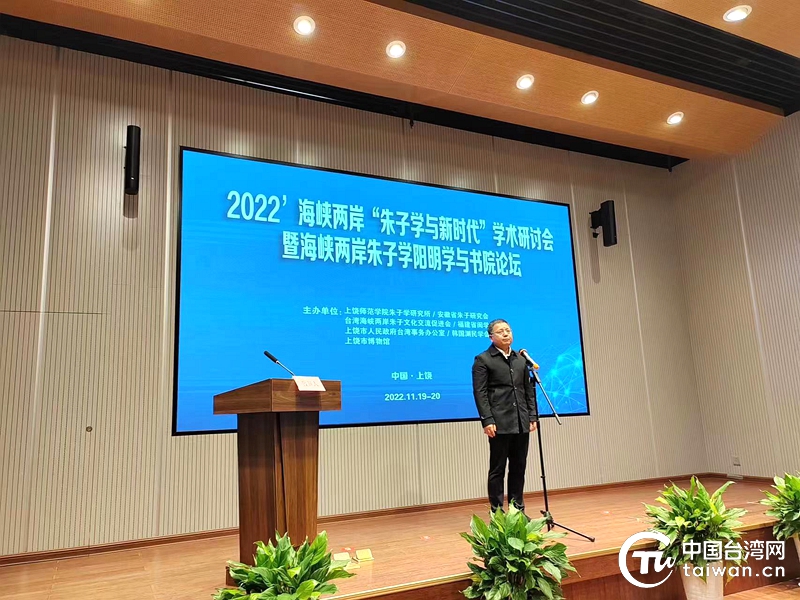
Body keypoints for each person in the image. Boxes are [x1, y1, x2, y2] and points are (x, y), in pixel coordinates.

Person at [471, 318, 539, 514]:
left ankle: (517, 511)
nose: (506, 333)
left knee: (519, 467)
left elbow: (528, 390)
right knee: (498, 469)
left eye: (508, 330)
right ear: (491, 337)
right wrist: (487, 420)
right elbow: (480, 393)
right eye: (500, 331)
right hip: (499, 423)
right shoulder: (483, 360)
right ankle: (498, 513)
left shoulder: (521, 360)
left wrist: (532, 415)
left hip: (521, 421)